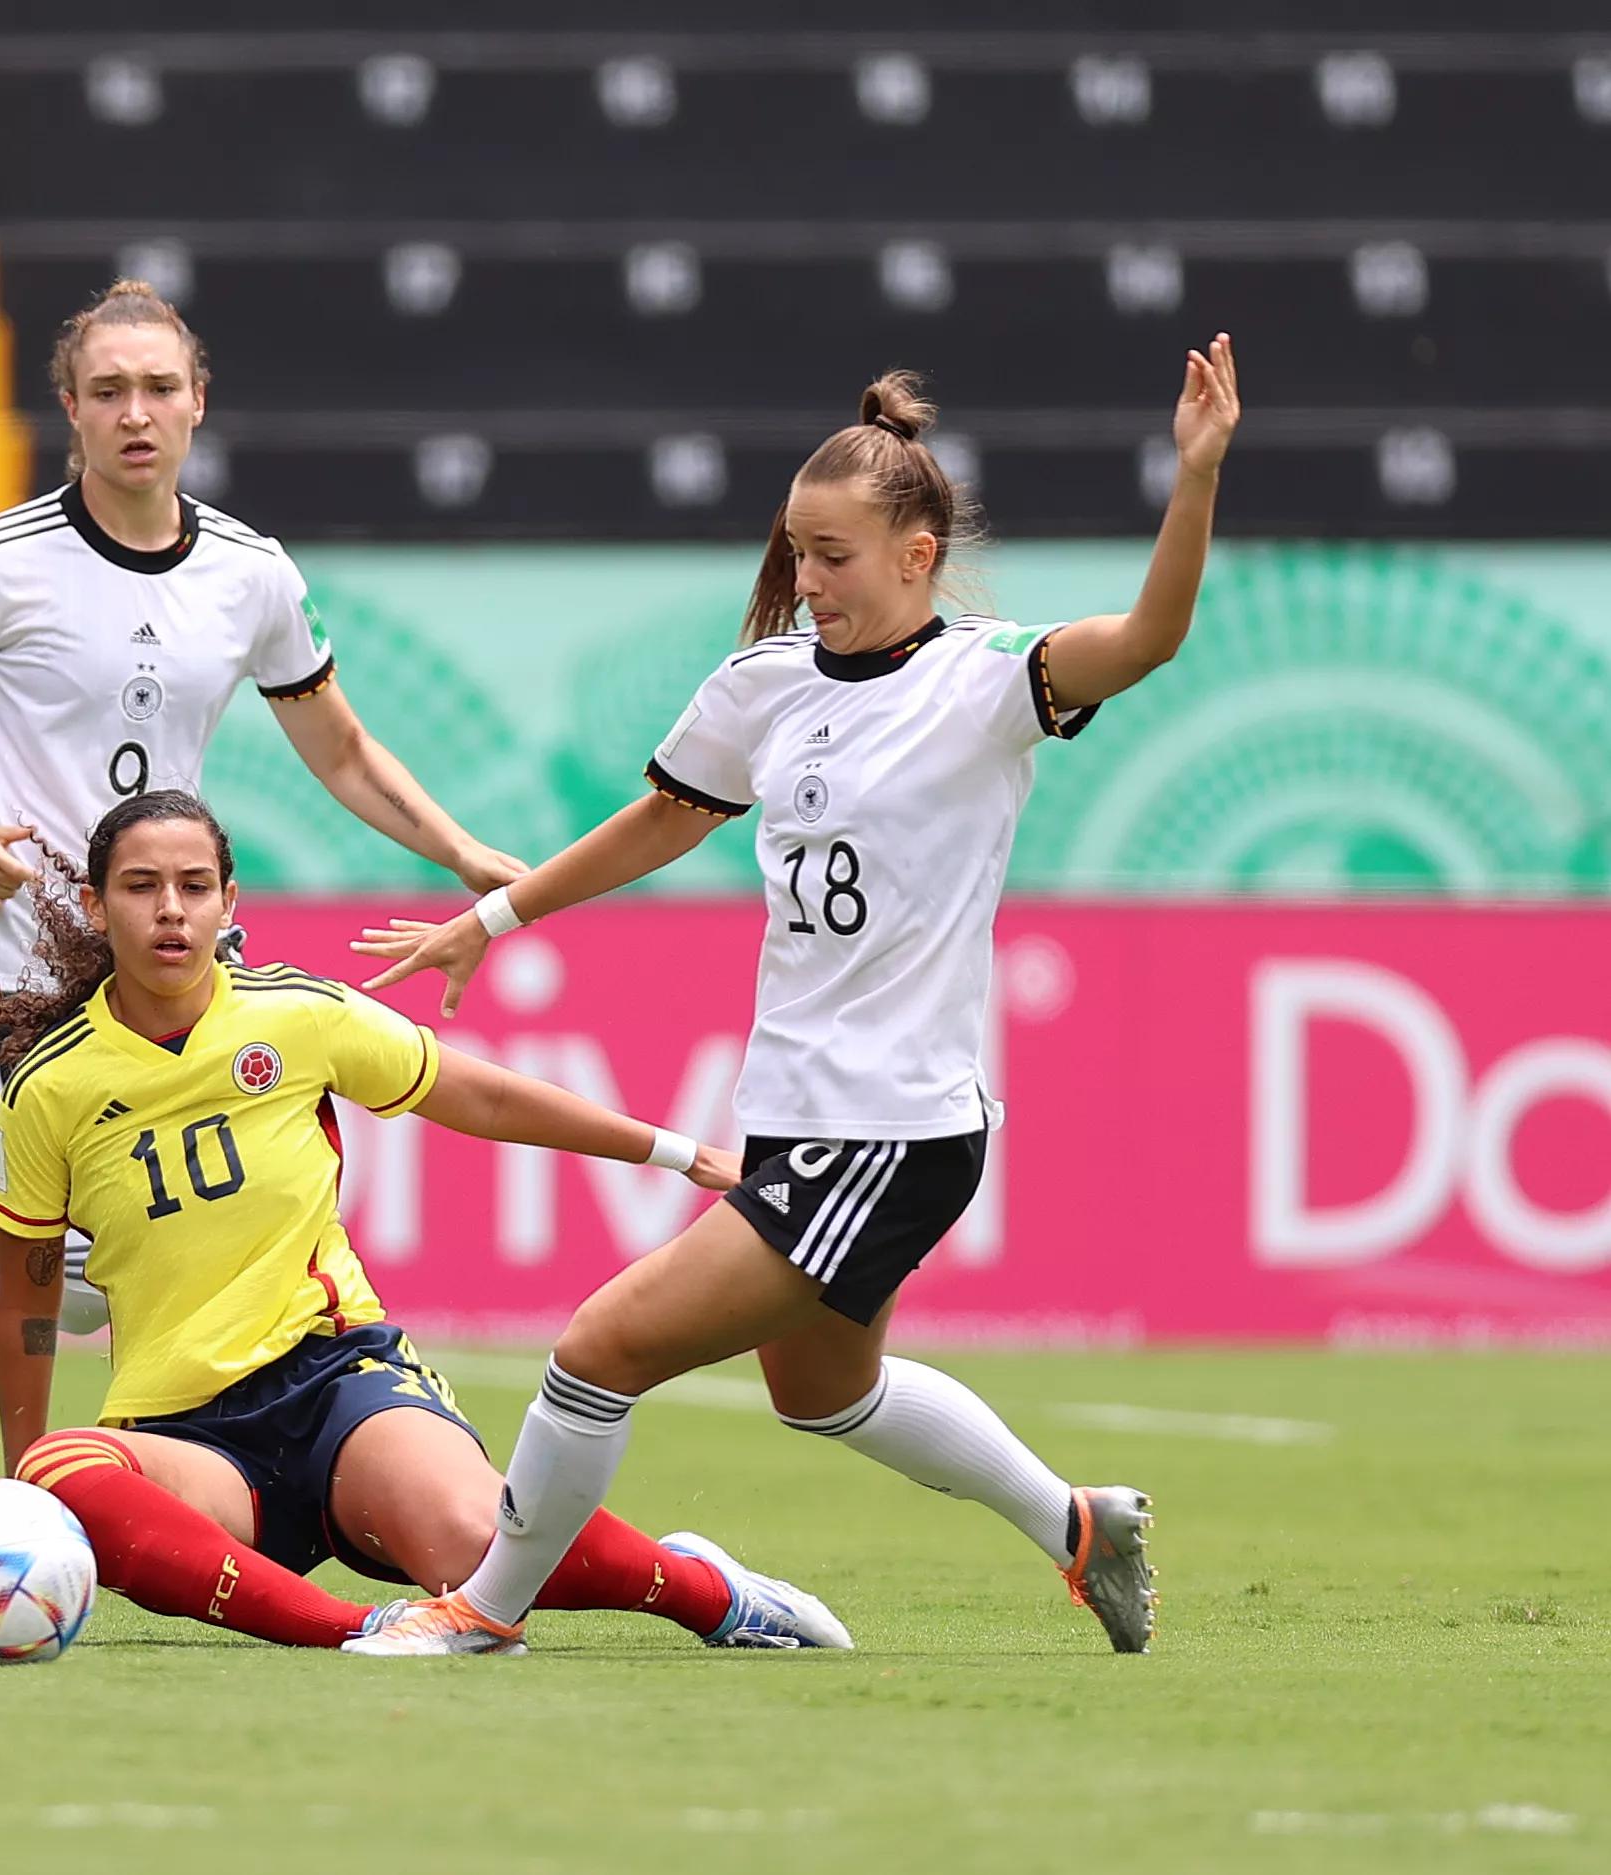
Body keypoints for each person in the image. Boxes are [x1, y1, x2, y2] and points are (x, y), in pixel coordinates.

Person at [350, 343, 1242, 1660]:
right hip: (799, 1115)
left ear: (918, 556)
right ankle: (1076, 1523)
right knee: (826, 1392)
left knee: (597, 1346)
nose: (809, 580)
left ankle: (480, 1607)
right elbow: (660, 819)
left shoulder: (992, 682)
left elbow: (1153, 636)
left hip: (891, 1128)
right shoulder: (765, 686)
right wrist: (490, 914)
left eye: (835, 555)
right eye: (798, 553)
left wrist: (1197, 477)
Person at [0, 278, 526, 1399]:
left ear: (198, 402)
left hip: (174, 936)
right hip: (17, 946)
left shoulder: (250, 574)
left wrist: (454, 848)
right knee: (81, 1280)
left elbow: (340, 748)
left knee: (177, 1248)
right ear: (69, 407)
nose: (135, 412)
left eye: (159, 387)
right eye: (107, 391)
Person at [0, 789, 851, 1654]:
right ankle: (368, 1630)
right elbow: (26, 1303)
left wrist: (682, 1154)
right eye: (140, 886)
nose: (171, 909)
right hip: (183, 1440)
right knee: (62, 1471)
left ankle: (711, 1591)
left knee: (478, 1543)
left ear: (229, 901)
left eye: (195, 884)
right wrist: (24, 1501)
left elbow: (488, 1097)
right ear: (95, 905)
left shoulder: (297, 1015)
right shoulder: (48, 1087)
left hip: (335, 1382)